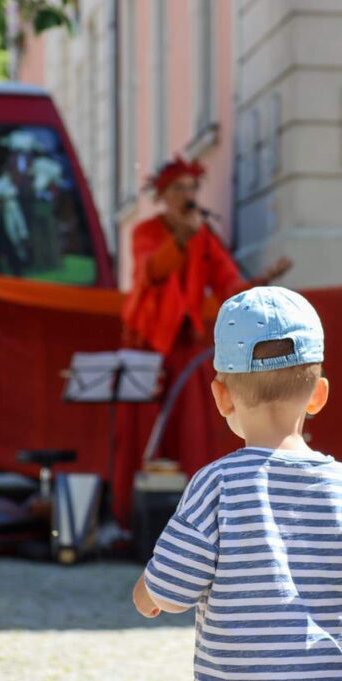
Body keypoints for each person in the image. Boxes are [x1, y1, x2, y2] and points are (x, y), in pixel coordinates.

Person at [131, 286, 342, 681]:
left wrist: (145, 593)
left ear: (222, 397)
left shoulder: (217, 485)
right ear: (318, 395)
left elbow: (171, 589)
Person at [121, 156, 292, 476]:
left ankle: (192, 495)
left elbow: (228, 284)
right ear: (162, 196)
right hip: (149, 341)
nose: (187, 196)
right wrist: (181, 240)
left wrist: (262, 281)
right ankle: (138, 507)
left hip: (187, 342)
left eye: (191, 188)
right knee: (145, 430)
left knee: (192, 427)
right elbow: (152, 272)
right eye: (178, 189)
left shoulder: (204, 236)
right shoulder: (145, 232)